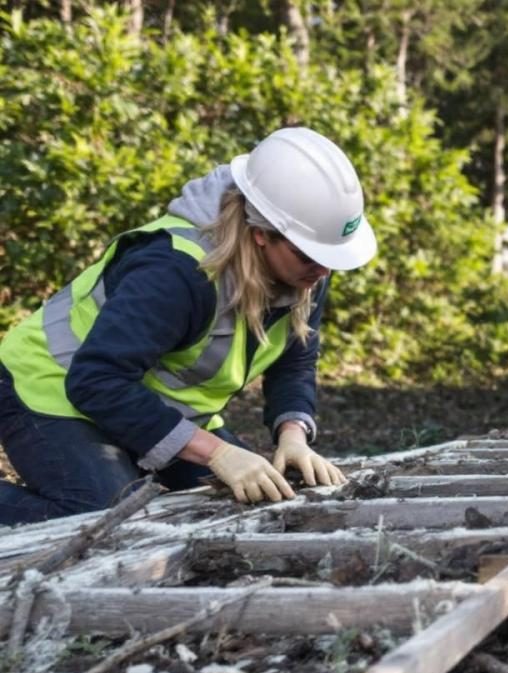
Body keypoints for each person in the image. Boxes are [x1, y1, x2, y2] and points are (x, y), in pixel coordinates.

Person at [0, 126, 377, 525]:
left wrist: (293, 435)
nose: (323, 271)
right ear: (262, 234)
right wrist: (217, 453)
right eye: (309, 256)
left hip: (143, 402)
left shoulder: (307, 271)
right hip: (48, 388)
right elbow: (96, 380)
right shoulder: (175, 271)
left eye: (330, 258)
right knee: (107, 517)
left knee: (248, 501)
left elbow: (295, 361)